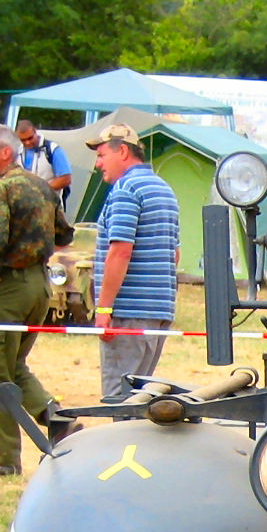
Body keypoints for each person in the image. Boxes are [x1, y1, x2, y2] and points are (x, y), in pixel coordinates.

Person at [0, 123, 77, 476]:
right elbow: (64, 233)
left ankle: (4, 458)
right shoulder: (41, 186)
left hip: (10, 287)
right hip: (40, 286)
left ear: (5, 152)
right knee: (15, 365)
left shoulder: (1, 189)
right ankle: (57, 418)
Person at [86, 123, 180, 402]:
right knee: (141, 397)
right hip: (158, 312)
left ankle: (122, 448)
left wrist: (103, 308)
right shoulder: (164, 189)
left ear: (123, 151)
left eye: (102, 155)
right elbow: (174, 255)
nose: (98, 163)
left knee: (120, 400)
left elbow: (121, 252)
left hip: (128, 314)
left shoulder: (126, 189)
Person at [18, 119, 73, 210]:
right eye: (23, 140)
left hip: (50, 207)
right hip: (26, 209)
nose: (27, 142)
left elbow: (65, 179)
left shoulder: (52, 150)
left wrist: (38, 191)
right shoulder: (18, 152)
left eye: (30, 138)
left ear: (35, 132)